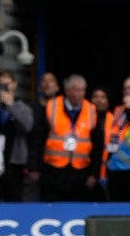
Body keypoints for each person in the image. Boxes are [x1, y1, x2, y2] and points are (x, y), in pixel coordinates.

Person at [29, 74, 103, 202]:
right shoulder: (52, 107)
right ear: (67, 91)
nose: (79, 94)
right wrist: (34, 167)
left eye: (82, 90)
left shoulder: (91, 110)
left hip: (80, 172)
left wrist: (94, 174)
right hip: (53, 171)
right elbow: (38, 139)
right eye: (75, 89)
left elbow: (98, 146)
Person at [0, 71, 33, 202]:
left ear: (14, 85)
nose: (4, 88)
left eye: (7, 84)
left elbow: (28, 125)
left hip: (14, 163)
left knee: (14, 198)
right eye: (1, 85)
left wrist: (11, 104)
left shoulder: (22, 107)